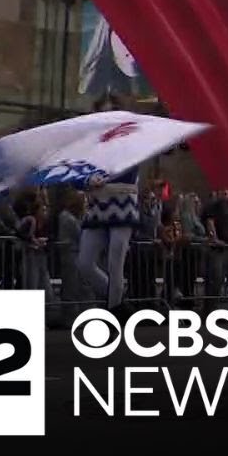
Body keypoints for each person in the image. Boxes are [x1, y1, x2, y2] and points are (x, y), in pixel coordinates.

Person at [74, 94, 142, 315]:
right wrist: (87, 181)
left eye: (111, 111)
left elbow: (131, 172)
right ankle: (117, 300)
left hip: (122, 206)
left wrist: (103, 181)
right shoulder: (90, 144)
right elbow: (76, 171)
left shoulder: (129, 142)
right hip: (97, 207)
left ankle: (113, 308)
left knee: (115, 261)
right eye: (102, 113)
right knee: (84, 263)